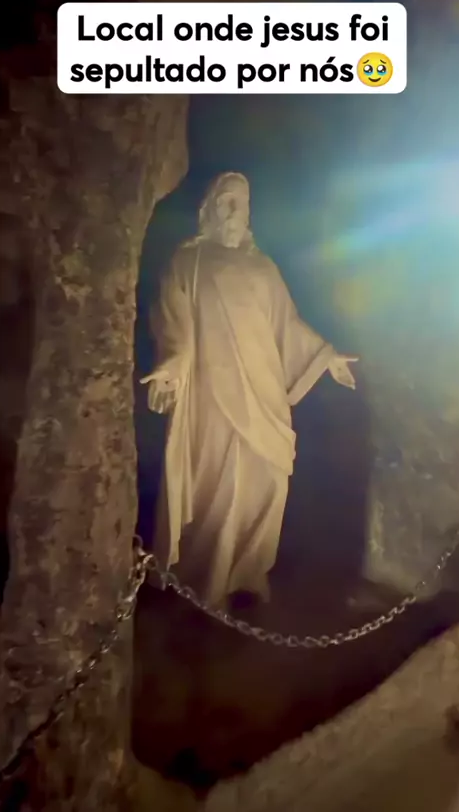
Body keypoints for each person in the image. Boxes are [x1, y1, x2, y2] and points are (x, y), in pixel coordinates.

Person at [141, 172, 358, 609]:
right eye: (225, 201)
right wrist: (172, 365)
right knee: (217, 487)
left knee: (266, 483)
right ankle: (208, 580)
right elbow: (173, 320)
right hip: (213, 396)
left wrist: (325, 356)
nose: (232, 211)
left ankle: (247, 570)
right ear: (208, 210)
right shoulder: (189, 262)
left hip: (264, 393)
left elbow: (287, 325)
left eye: (240, 203)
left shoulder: (264, 268)